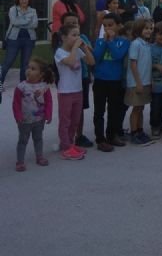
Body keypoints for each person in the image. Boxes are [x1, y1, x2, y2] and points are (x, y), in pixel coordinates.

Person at [55, 23, 95, 160]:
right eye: (74, 35)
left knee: (75, 120)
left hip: (78, 90)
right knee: (65, 120)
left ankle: (70, 144)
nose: (77, 38)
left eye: (78, 35)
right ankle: (66, 147)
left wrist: (85, 48)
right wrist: (76, 48)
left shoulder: (77, 50)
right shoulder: (60, 52)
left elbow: (91, 62)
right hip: (65, 92)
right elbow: (71, 62)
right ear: (64, 37)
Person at [92, 13, 130, 151]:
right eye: (105, 26)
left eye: (110, 25)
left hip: (115, 80)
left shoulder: (124, 42)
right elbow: (96, 57)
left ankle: (111, 135)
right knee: (99, 111)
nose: (107, 28)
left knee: (114, 110)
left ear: (119, 26)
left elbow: (118, 56)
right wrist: (105, 42)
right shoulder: (100, 41)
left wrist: (110, 42)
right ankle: (100, 139)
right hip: (100, 80)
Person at [12, 57, 54, 171]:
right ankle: (20, 161)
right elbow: (15, 103)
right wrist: (18, 116)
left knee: (38, 139)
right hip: (24, 121)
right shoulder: (21, 87)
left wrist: (48, 114)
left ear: (41, 74)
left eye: (33, 68)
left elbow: (49, 101)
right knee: (23, 141)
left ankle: (39, 156)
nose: (29, 70)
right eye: (28, 67)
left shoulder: (44, 87)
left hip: (39, 120)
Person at [125, 18, 154, 145]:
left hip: (146, 81)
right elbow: (133, 64)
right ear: (139, 29)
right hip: (137, 82)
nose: (149, 31)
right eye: (146, 28)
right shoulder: (136, 44)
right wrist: (138, 82)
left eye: (150, 28)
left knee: (141, 107)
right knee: (136, 108)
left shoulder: (147, 44)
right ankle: (134, 132)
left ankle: (140, 130)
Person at [2, 0, 38, 83]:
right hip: (14, 40)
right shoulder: (13, 9)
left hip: (29, 40)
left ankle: (22, 84)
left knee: (25, 64)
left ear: (28, 0)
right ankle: (0, 83)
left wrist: (20, 21)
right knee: (8, 62)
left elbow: (34, 24)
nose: (23, 1)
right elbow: (14, 22)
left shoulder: (33, 10)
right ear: (18, 0)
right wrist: (27, 20)